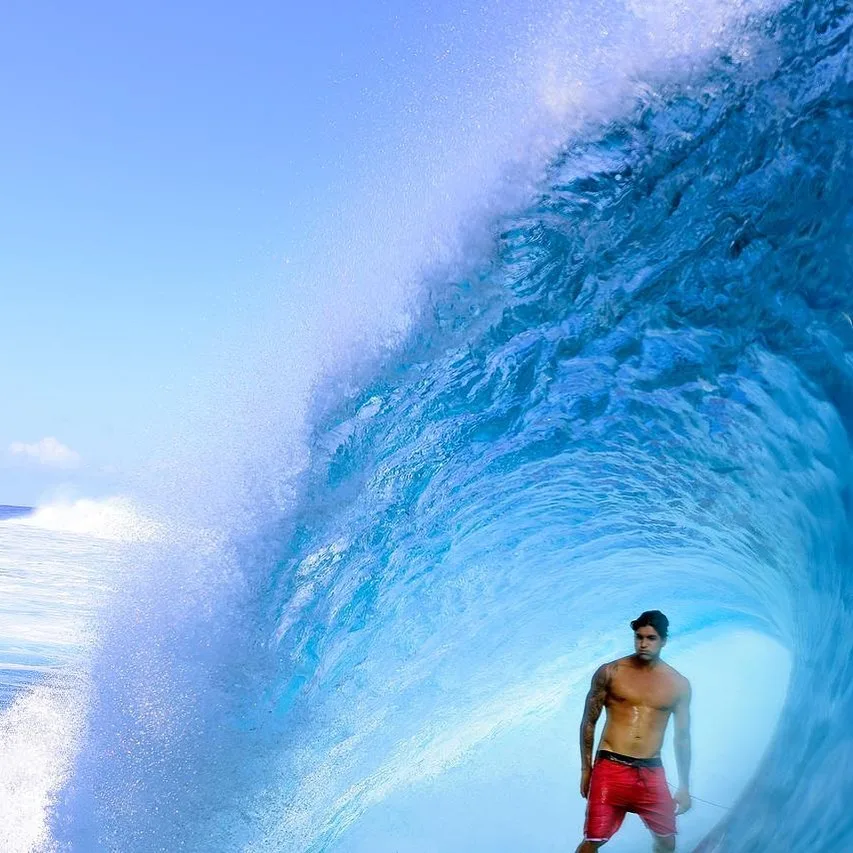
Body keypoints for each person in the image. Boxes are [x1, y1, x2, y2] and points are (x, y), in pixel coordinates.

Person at [575, 610, 691, 852]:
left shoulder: (678, 684)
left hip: (651, 771)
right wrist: (587, 769)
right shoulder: (611, 672)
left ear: (664, 641)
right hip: (610, 768)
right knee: (594, 840)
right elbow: (589, 721)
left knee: (667, 841)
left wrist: (684, 786)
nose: (643, 644)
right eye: (639, 637)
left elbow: (682, 738)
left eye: (651, 638)